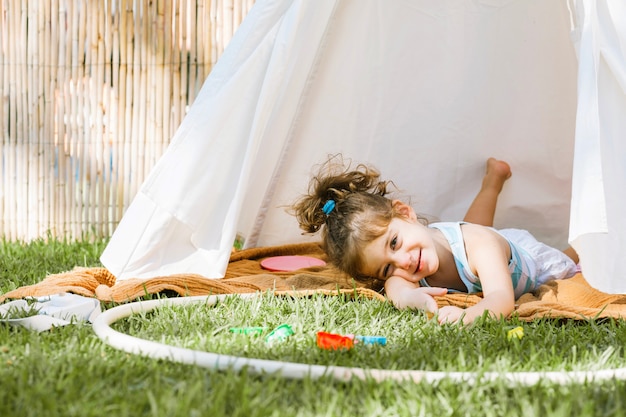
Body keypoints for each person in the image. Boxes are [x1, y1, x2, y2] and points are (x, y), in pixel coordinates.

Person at [291, 156, 579, 325]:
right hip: (457, 242)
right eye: (386, 268)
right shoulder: (409, 263)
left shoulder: (479, 245)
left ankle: (589, 241)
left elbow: (502, 299)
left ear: (405, 213)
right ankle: (494, 180)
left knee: (568, 261)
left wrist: (468, 317)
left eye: (394, 243)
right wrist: (409, 298)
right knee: (475, 230)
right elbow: (397, 289)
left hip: (524, 259)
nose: (402, 261)